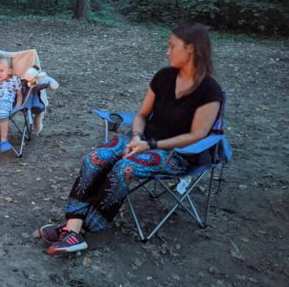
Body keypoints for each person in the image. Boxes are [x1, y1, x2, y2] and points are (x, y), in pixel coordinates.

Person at [40, 22, 223, 255]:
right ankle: (71, 228)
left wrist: (150, 145)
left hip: (177, 154)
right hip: (143, 139)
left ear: (191, 49)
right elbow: (142, 115)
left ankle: (84, 230)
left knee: (124, 167)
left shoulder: (209, 90)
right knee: (95, 157)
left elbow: (196, 135)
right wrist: (137, 136)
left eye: (172, 46)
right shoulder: (164, 77)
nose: (167, 51)